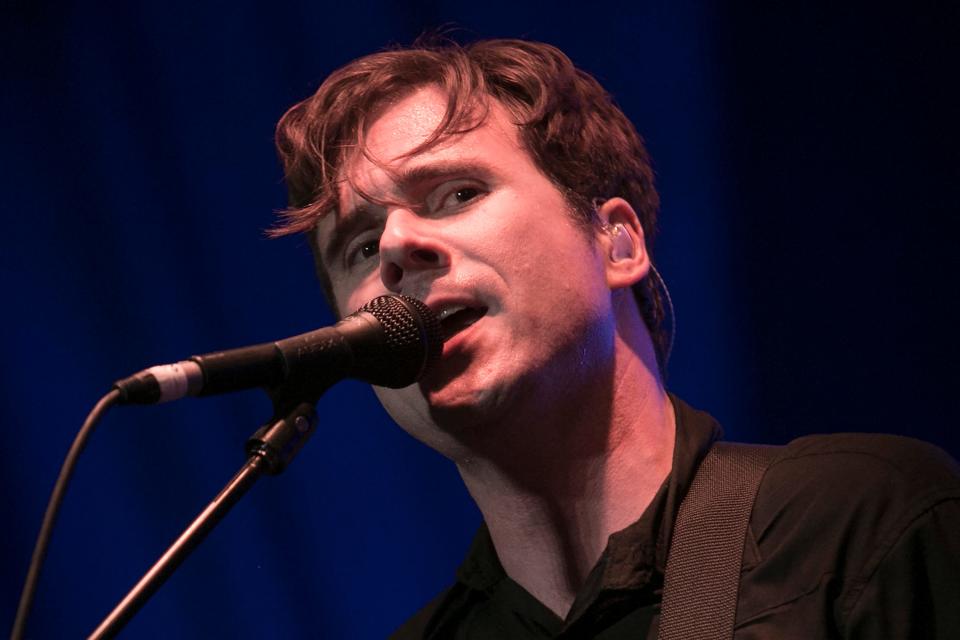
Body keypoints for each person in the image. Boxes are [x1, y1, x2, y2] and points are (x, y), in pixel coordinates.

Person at [271, 38, 960, 638]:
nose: (395, 246)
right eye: (359, 247)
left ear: (617, 242)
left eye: (456, 194)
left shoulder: (859, 527)